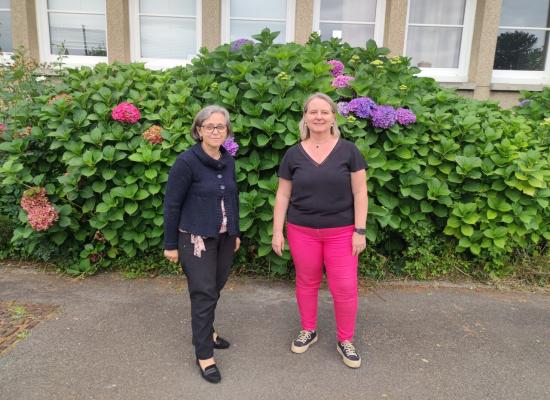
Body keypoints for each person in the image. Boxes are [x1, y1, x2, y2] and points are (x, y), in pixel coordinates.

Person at [272, 93, 368, 368]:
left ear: (333, 117)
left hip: (341, 232)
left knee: (345, 288)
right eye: (313, 112)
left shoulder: (349, 151)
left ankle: (345, 340)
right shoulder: (293, 153)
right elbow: (282, 195)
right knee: (307, 282)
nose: (318, 117)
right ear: (305, 117)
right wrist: (277, 231)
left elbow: (361, 192)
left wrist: (359, 230)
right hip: (301, 231)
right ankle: (308, 330)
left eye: (324, 112)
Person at [163, 105, 240, 384]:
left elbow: (232, 197)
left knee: (215, 287)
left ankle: (207, 331)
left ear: (227, 131)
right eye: (210, 127)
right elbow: (172, 204)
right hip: (195, 239)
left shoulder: (228, 160)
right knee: (203, 293)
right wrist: (170, 244)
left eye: (221, 127)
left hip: (224, 237)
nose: (216, 131)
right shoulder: (186, 162)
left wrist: (235, 231)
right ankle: (204, 354)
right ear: (198, 131)